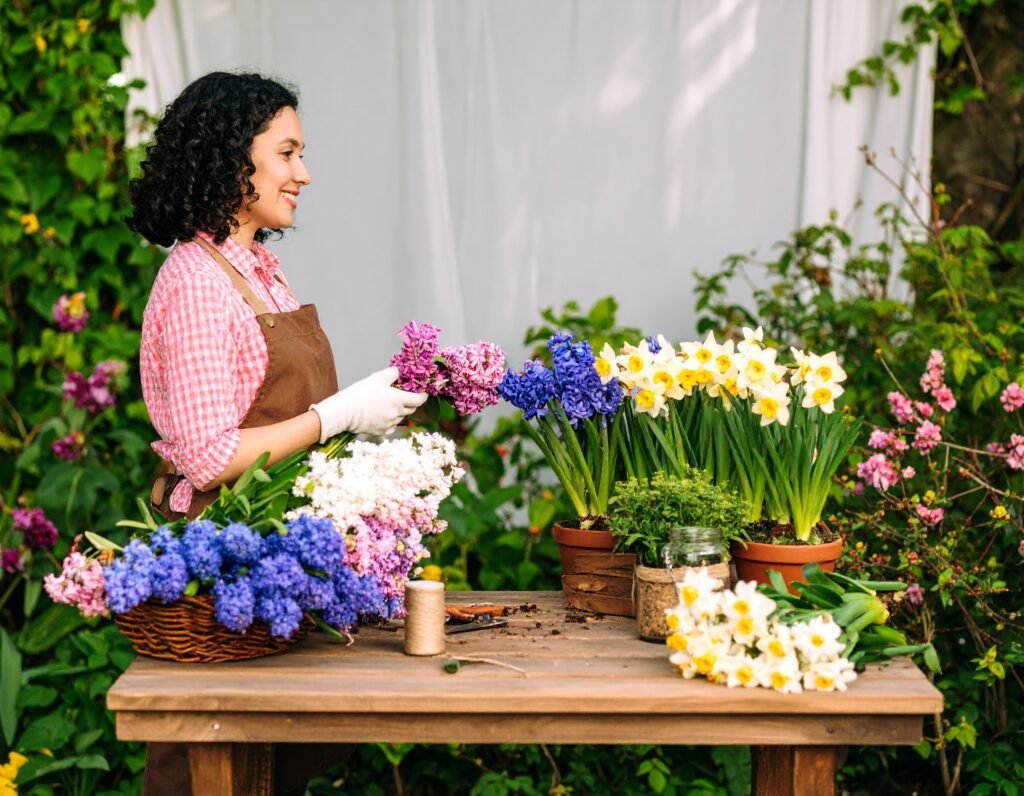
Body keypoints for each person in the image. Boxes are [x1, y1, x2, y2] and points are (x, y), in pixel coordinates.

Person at [126, 71, 426, 794]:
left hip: (275, 562)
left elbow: (272, 409)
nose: (304, 173)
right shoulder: (198, 282)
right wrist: (340, 415)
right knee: (214, 765)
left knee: (269, 766)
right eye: (287, 153)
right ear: (236, 159)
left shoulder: (255, 267)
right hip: (223, 565)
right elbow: (207, 454)